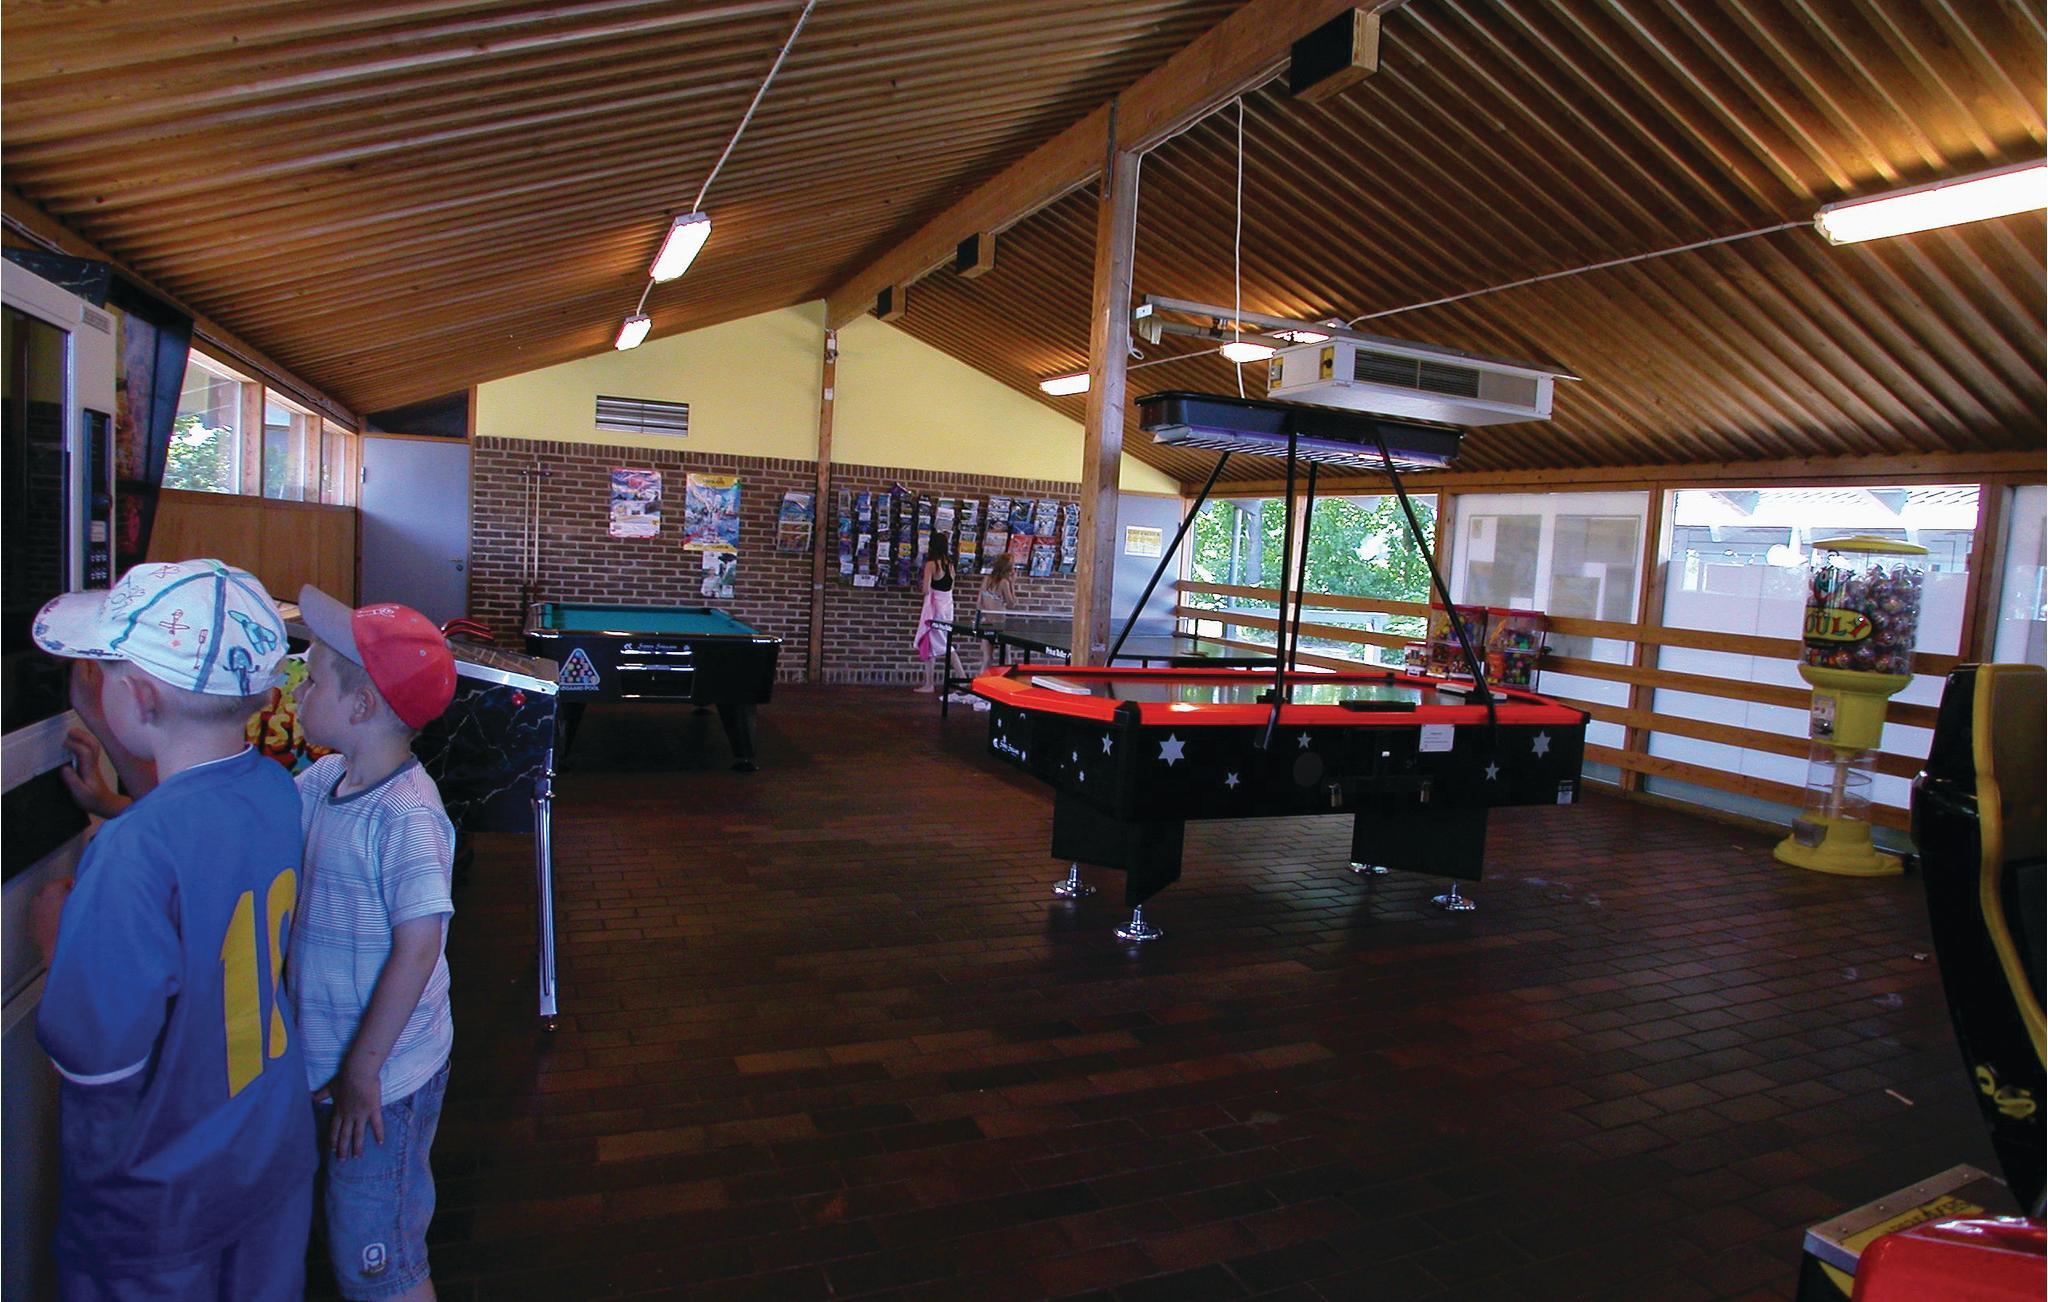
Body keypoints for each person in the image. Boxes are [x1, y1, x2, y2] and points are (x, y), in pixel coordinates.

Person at [30, 558, 316, 1301]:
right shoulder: (273, 789)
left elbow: (96, 1053)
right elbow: (197, 828)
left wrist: (56, 942)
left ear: (139, 695)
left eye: (105, 671)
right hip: (265, 1156)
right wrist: (113, 739)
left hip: (158, 1205)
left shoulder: (132, 852)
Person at [289, 586, 459, 1302]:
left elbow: (418, 948)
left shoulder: (406, 816)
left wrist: (363, 1069)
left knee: (376, 1254)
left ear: (360, 707)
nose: (297, 690)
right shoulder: (325, 780)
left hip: (383, 1081)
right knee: (343, 1218)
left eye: (311, 679)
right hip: (332, 1066)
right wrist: (114, 801)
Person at [913, 531, 968, 695]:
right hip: (948, 607)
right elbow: (951, 587)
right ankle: (931, 683)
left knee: (943, 645)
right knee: (934, 644)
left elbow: (925, 589)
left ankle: (961, 679)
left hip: (934, 609)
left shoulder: (931, 564)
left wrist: (920, 584)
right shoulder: (950, 565)